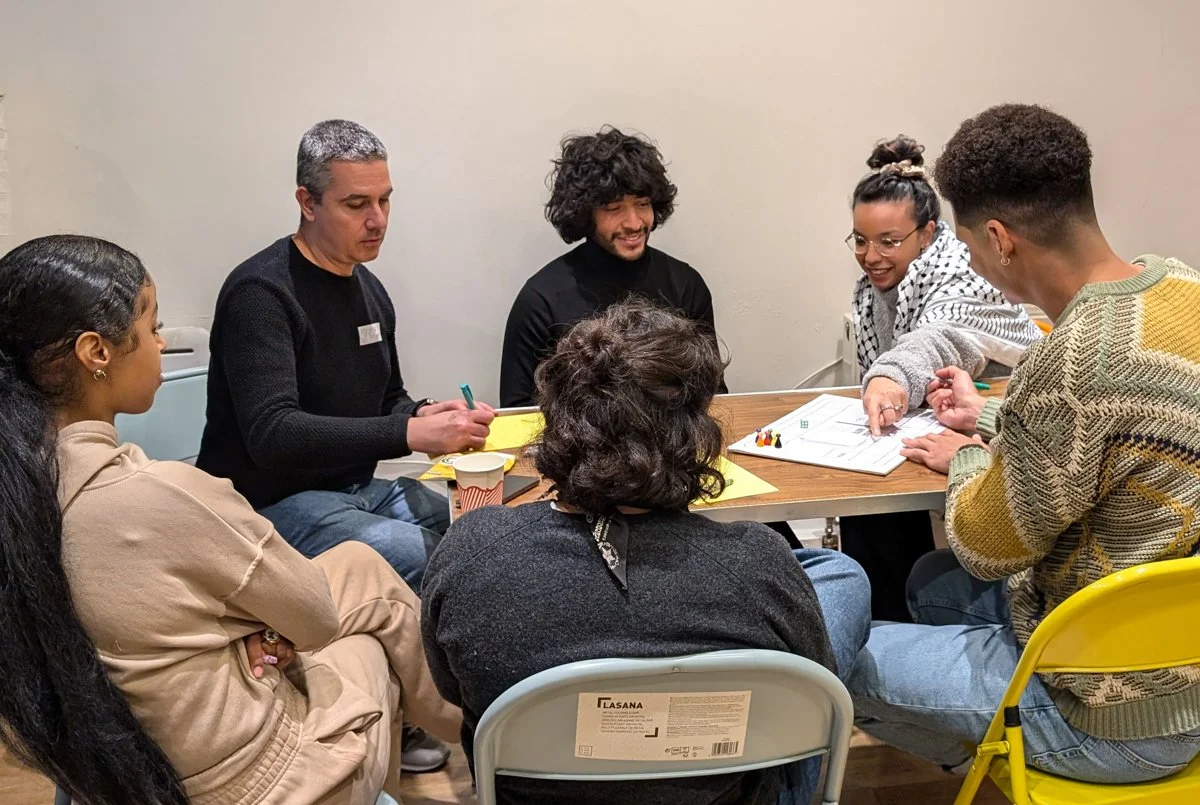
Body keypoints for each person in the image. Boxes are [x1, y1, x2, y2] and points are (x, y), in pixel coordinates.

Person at [0, 234, 461, 805]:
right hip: (251, 783)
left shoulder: (27, 491)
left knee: (364, 563)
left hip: (131, 768)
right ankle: (484, 732)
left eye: (383, 201)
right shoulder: (163, 492)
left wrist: (417, 415)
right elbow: (315, 618)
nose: (161, 342)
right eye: (151, 326)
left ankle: (472, 723)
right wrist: (263, 628)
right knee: (375, 620)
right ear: (96, 352)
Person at [848, 104, 1200, 783]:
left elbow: (985, 547)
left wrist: (969, 458)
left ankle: (1002, 750)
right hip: (1181, 649)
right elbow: (1126, 426)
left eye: (970, 247)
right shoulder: (1182, 288)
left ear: (1000, 239)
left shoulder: (1068, 363)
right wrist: (988, 416)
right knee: (928, 583)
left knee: (837, 655)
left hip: (1110, 712)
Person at [424, 300, 871, 805]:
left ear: (557, 423)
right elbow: (813, 706)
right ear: (693, 434)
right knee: (838, 574)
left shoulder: (471, 550)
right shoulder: (757, 561)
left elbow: (452, 689)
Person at [197, 119, 494, 590]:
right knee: (440, 562)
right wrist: (411, 432)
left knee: (487, 533)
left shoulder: (368, 287)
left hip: (357, 489)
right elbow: (273, 433)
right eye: (356, 204)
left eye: (384, 200)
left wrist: (421, 412)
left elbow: (387, 399)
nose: (378, 220)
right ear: (307, 202)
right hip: (266, 505)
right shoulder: (260, 294)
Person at [839, 135, 1043, 622]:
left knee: (885, 520)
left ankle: (892, 630)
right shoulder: (877, 289)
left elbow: (941, 338)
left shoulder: (962, 272)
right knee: (866, 505)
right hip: (964, 424)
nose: (871, 255)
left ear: (928, 233)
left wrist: (890, 377)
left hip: (1005, 452)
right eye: (861, 240)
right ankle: (882, 620)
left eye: (889, 242)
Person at [499, 126, 726, 408]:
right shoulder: (541, 300)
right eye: (613, 208)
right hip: (575, 438)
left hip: (674, 436)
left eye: (642, 203)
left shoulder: (685, 285)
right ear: (585, 213)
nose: (634, 222)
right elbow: (517, 410)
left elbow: (712, 393)